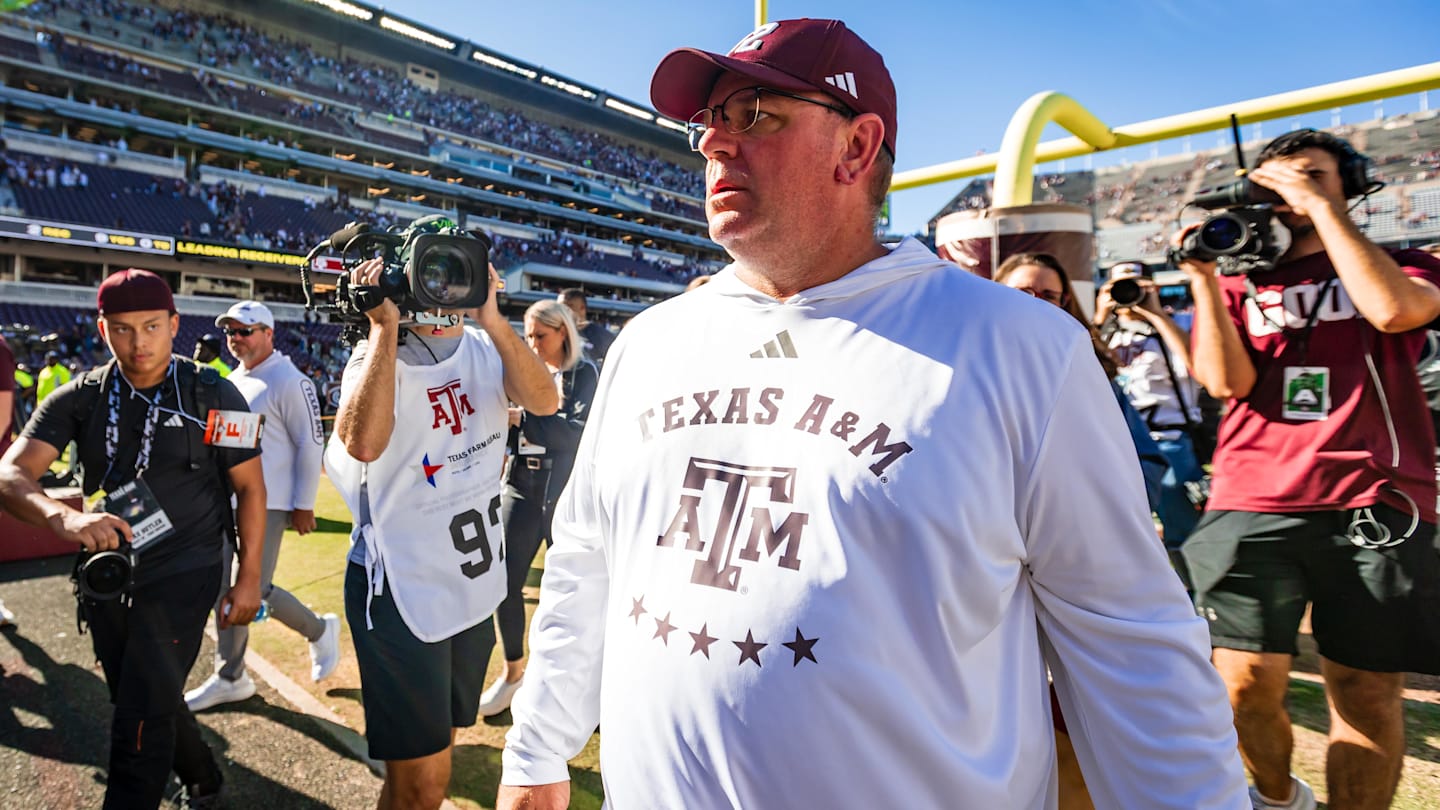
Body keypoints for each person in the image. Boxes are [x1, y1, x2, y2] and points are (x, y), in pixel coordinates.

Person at [497, 18, 1247, 810]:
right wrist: (537, 746)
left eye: (753, 113)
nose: (716, 143)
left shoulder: (1021, 347)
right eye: (708, 123)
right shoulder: (650, 342)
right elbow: (587, 561)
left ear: (857, 148)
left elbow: (1131, 645)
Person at [1179, 129, 1440, 810]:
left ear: (1349, 186)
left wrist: (1322, 209)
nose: (1292, 190)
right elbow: (1222, 381)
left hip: (1374, 495)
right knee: (1242, 683)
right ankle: (1276, 798)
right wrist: (1205, 280)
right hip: (1252, 492)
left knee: (1364, 689)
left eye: (1315, 176)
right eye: (1279, 180)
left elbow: (1393, 310)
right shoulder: (1243, 280)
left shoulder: (1404, 261)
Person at [0, 268, 267, 809]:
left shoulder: (213, 391)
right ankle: (204, 776)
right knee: (138, 693)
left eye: (151, 326)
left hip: (188, 569)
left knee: (139, 719)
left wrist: (250, 577)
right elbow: (10, 474)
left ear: (173, 325)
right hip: (109, 573)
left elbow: (250, 488)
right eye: (122, 329)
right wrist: (64, 518)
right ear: (103, 330)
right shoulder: (82, 397)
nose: (138, 342)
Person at [325, 257, 557, 810]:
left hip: (470, 585)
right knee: (424, 785)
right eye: (433, 268)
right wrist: (383, 326)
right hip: (404, 591)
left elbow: (545, 401)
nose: (446, 284)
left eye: (457, 268)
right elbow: (361, 444)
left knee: (431, 763)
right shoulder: (379, 353)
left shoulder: (486, 346)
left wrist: (494, 318)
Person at [186, 301, 340, 712]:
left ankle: (319, 629)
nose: (236, 339)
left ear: (268, 334)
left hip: (268, 502)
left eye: (245, 331)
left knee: (256, 588)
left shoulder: (289, 379)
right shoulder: (235, 379)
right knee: (225, 588)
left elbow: (311, 442)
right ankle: (231, 676)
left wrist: (304, 504)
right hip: (228, 501)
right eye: (231, 332)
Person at [476, 300, 598, 717]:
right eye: (526, 335)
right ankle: (514, 674)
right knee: (503, 584)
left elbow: (575, 438)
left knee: (573, 595)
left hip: (565, 493)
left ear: (563, 331)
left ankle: (576, 689)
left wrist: (524, 418)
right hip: (521, 488)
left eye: (539, 336)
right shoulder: (520, 370)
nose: (531, 344)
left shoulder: (586, 373)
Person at [993, 253, 1170, 514]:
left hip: (1077, 530)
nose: (1036, 303)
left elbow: (1146, 462)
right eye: (1023, 292)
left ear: (1064, 301)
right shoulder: (968, 367)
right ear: (995, 294)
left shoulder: (1090, 372)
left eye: (1049, 295)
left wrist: (1110, 514)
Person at [1094, 260, 1207, 549]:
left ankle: (1190, 589)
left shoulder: (1177, 325)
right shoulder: (1106, 333)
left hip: (1168, 439)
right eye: (1118, 287)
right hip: (1118, 441)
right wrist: (1100, 316)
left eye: (1135, 286)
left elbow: (1199, 366)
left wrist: (1155, 313)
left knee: (1183, 532)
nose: (1127, 294)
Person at [557, 288, 614, 365]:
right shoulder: (556, 334)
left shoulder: (602, 336)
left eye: (567, 307)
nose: (562, 311)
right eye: (559, 307)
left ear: (582, 308)